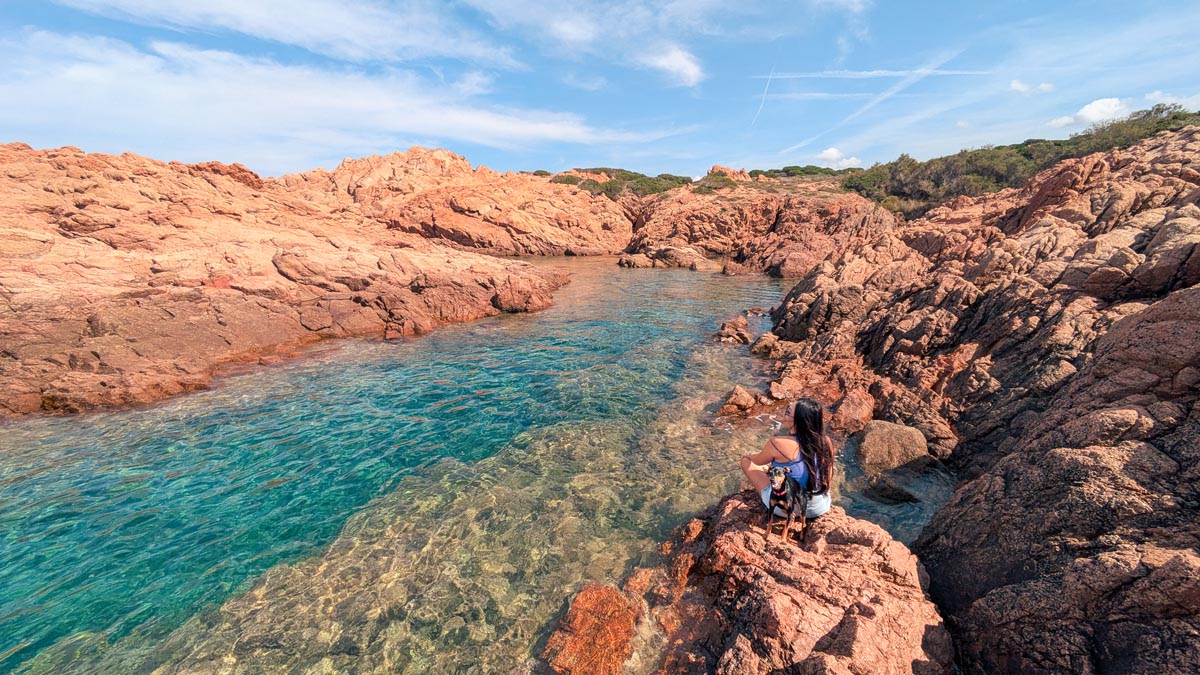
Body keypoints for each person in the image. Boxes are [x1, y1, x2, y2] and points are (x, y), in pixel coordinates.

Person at [740, 397, 834, 519]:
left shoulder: (777, 443)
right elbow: (828, 476)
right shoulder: (826, 442)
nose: (784, 415)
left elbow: (757, 461)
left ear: (799, 420)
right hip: (820, 507)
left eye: (788, 412)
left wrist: (749, 455)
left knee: (746, 461)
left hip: (788, 508)